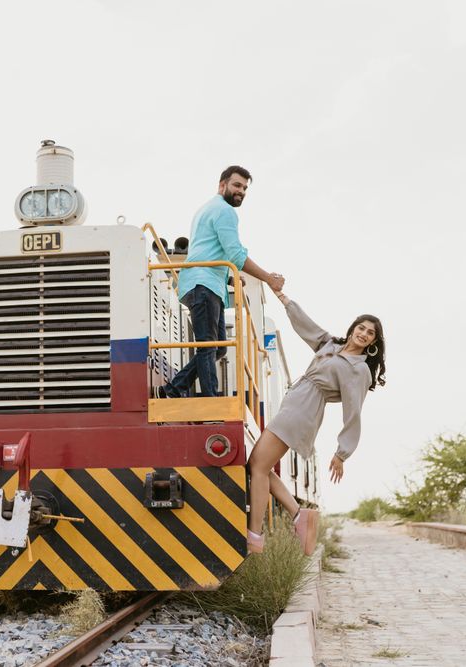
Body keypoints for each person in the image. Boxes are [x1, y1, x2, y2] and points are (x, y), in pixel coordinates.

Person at [246, 290, 387, 554]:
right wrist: (285, 300)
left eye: (370, 333)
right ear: (353, 328)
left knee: (258, 466)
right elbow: (306, 326)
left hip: (304, 411)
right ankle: (299, 516)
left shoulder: (359, 370)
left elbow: (353, 412)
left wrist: (342, 453)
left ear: (373, 342)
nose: (364, 334)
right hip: (294, 405)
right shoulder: (330, 345)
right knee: (258, 465)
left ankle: (255, 536)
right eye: (361, 328)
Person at [159, 166, 285, 398]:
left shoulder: (206, 209)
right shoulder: (225, 211)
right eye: (237, 185)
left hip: (203, 283)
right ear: (222, 185)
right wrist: (268, 279)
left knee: (218, 348)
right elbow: (235, 254)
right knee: (208, 345)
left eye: (245, 188)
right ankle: (211, 400)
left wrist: (228, 276)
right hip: (204, 285)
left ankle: (173, 389)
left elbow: (204, 250)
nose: (241, 191)